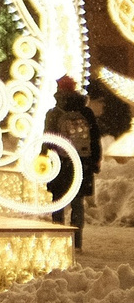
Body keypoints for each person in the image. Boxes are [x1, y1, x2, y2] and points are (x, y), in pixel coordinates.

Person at [46, 76, 107, 250]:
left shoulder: (54, 113)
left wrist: (44, 156)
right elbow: (94, 138)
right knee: (77, 202)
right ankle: (77, 241)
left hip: (61, 162)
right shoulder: (86, 112)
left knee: (58, 202)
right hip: (82, 162)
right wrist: (95, 159)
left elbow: (48, 139)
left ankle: (58, 241)